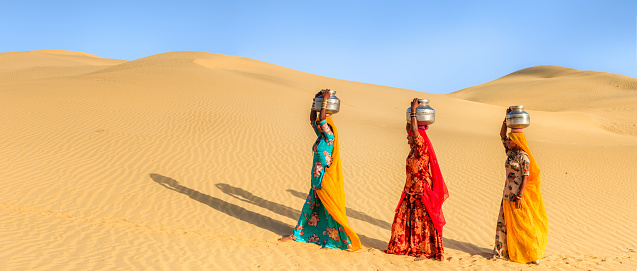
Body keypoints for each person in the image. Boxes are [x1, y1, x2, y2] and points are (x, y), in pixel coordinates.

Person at [279, 90, 361, 251]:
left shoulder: (330, 136)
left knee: (329, 210)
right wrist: (314, 103)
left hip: (325, 178)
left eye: (323, 126)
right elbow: (313, 120)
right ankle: (297, 234)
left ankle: (333, 242)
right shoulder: (321, 137)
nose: (320, 126)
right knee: (309, 207)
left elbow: (323, 119)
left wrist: (324, 101)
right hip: (316, 179)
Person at [384, 98, 448, 260]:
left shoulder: (421, 146)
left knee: (422, 221)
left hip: (420, 190)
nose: (407, 138)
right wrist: (408, 116)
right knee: (404, 218)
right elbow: (410, 128)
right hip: (410, 189)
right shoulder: (414, 148)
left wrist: (413, 111)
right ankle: (406, 245)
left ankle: (422, 248)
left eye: (410, 136)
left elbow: (414, 129)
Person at [493, 108, 548, 264]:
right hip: (507, 194)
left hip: (517, 195)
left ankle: (532, 253)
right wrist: (506, 118)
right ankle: (503, 251)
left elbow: (526, 177)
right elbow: (501, 135)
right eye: (509, 140)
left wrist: (520, 195)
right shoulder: (510, 153)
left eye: (511, 139)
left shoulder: (524, 156)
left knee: (523, 225)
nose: (508, 141)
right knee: (504, 224)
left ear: (517, 141)